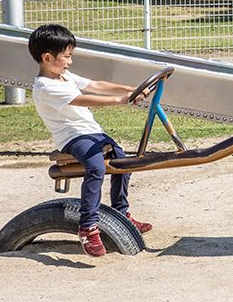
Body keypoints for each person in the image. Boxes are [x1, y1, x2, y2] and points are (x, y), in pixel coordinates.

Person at [28, 24, 153, 256]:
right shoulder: (45, 86)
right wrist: (121, 100)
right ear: (47, 57)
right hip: (73, 137)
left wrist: (131, 88)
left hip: (92, 132)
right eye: (67, 56)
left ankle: (121, 214)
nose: (70, 61)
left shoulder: (63, 76)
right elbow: (83, 99)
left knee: (123, 162)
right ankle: (88, 227)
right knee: (95, 167)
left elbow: (95, 85)